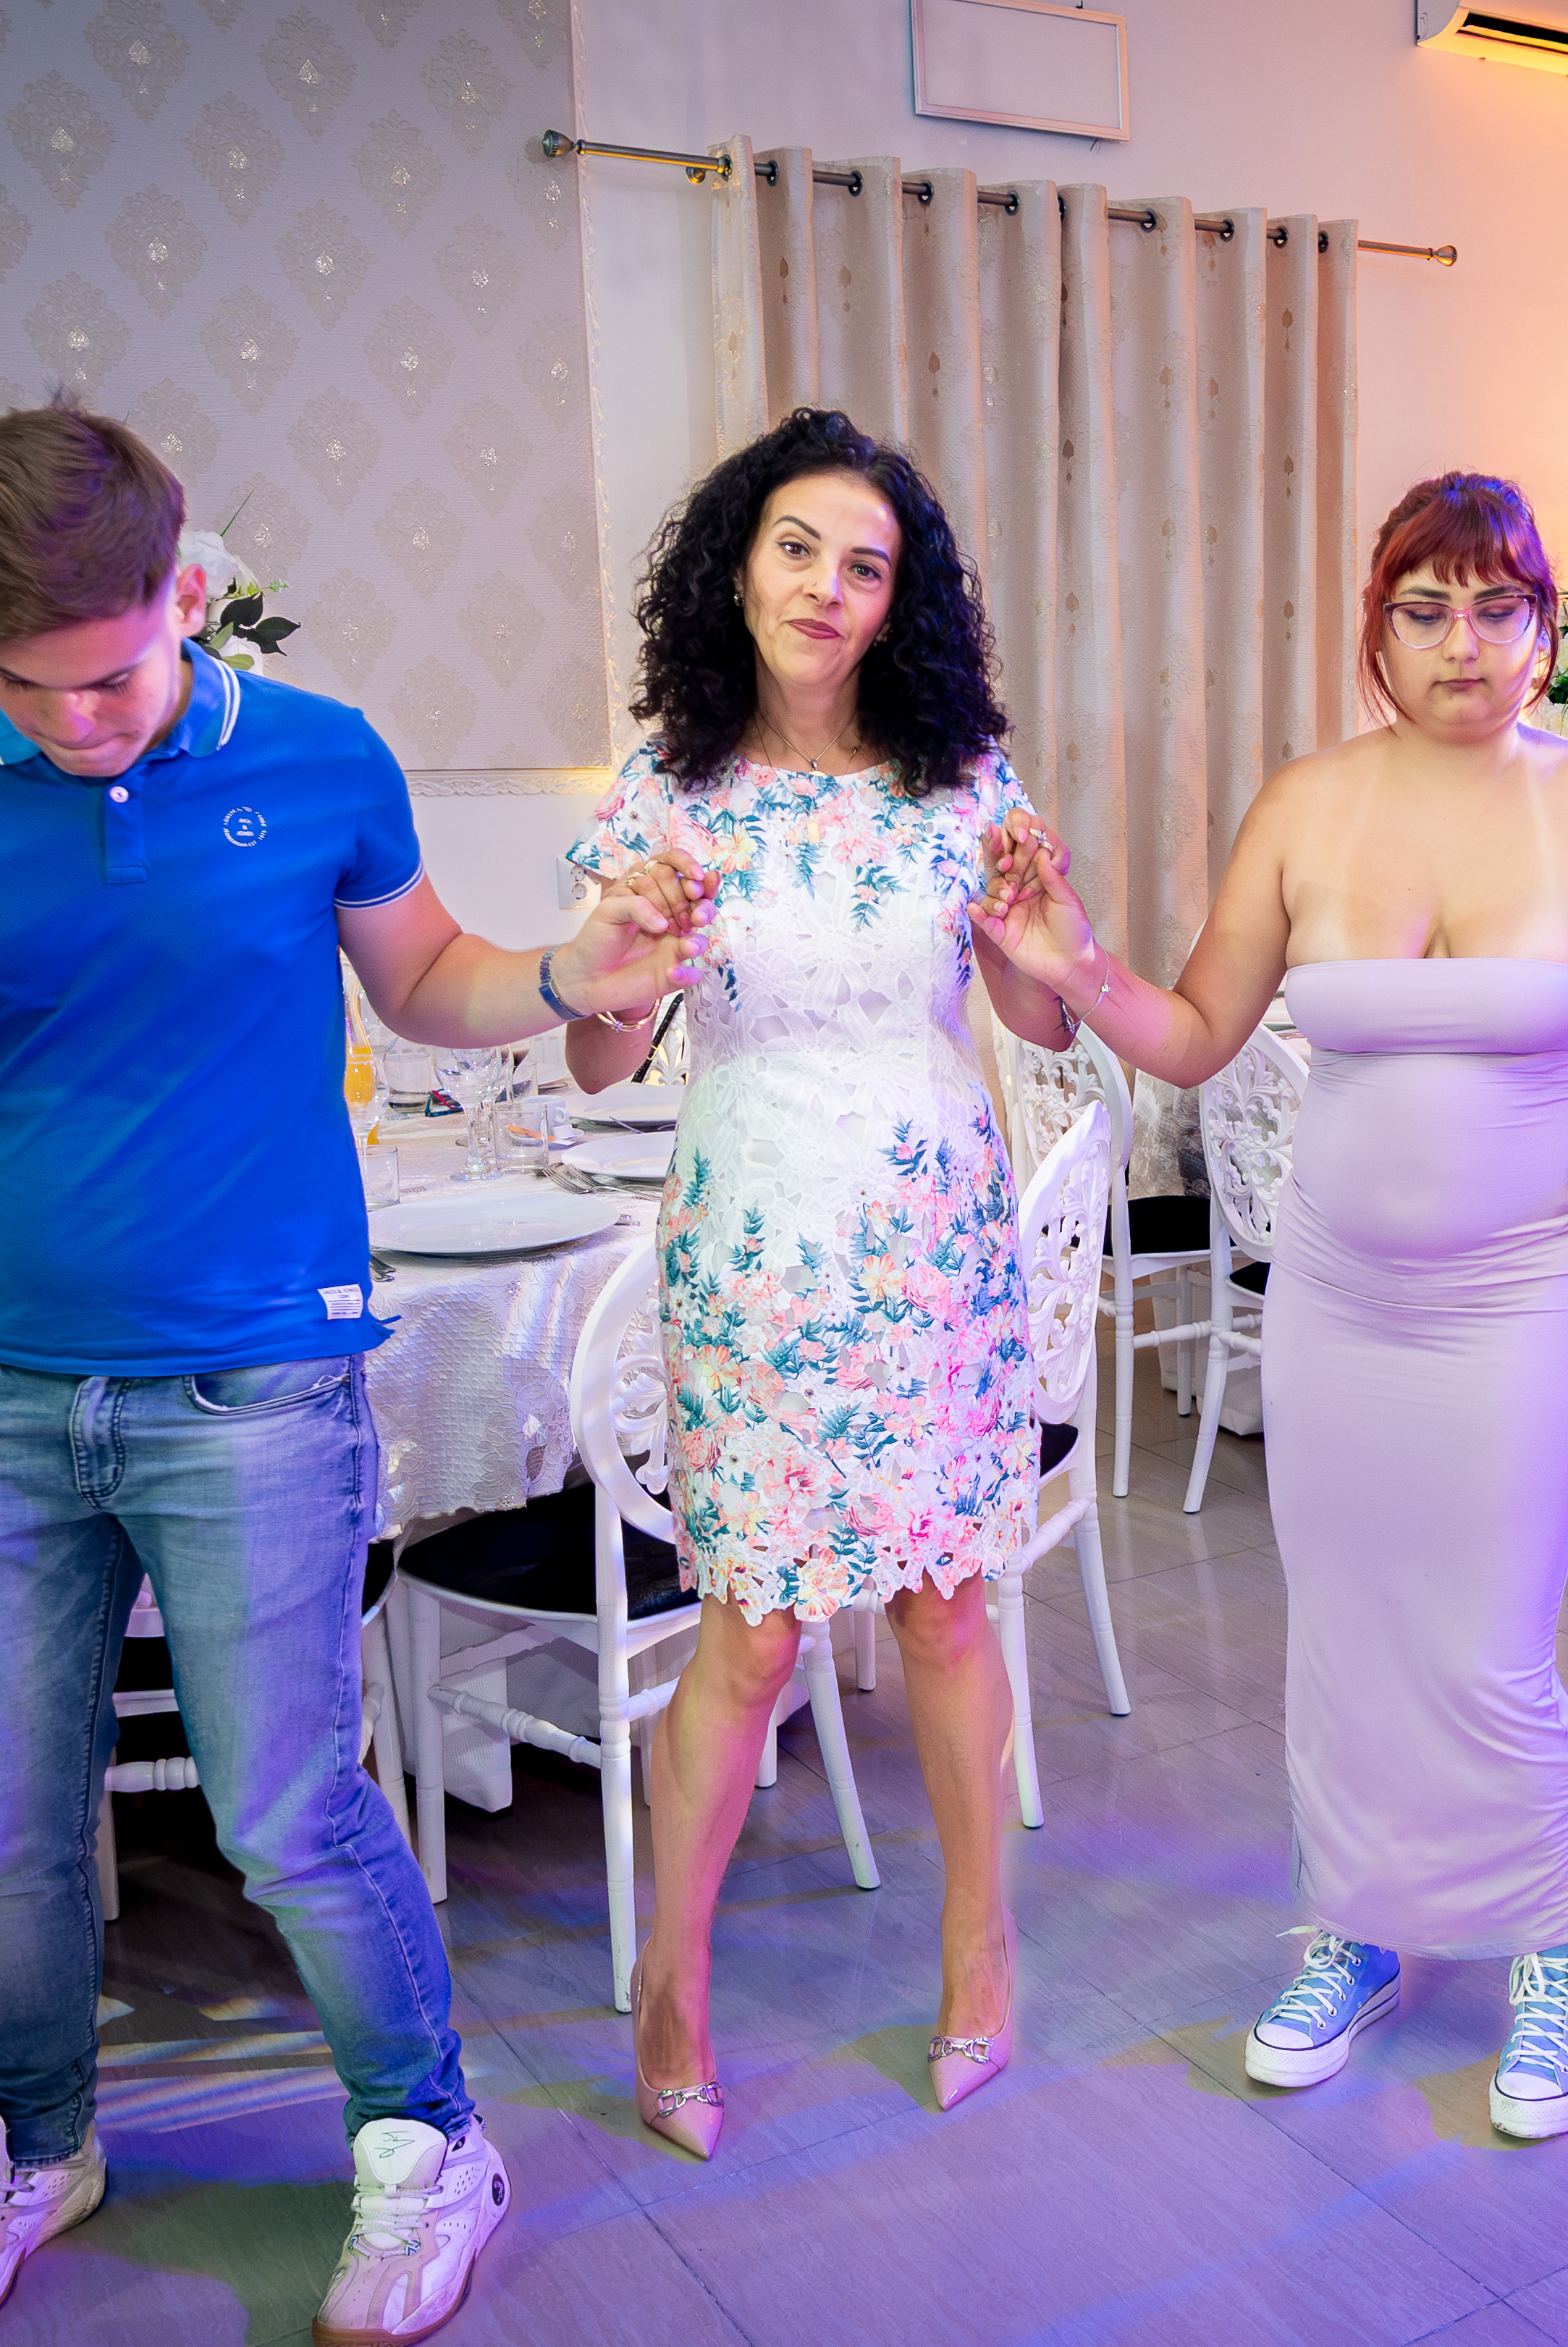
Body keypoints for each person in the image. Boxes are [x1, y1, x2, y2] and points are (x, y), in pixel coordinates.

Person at [0, 393, 708, 2346]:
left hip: (256, 1377)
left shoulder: (317, 753)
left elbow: (425, 979)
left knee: (284, 1805)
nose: (84, 721)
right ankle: (32, 2137)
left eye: (116, 674)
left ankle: (429, 2139)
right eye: (35, 686)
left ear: (185, 590)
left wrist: (563, 976)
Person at [972, 471, 1568, 2142]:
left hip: (1521, 1300)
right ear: (1377, 630)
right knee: (1348, 1637)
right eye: (1425, 609)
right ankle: (1353, 1927)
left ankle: (1552, 1943)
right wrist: (1069, 962)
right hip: (1338, 1299)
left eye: (1497, 608)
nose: (1462, 642)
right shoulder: (1304, 806)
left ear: (1543, 630)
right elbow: (1193, 1034)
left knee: (1490, 1644)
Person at [555, 408, 1059, 2160]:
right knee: (753, 1624)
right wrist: (623, 958)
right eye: (797, 549)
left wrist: (1043, 929)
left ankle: (978, 1947)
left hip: (931, 1233)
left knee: (946, 1606)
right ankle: (671, 1982)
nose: (826, 588)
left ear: (899, 603)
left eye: (866, 565)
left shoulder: (961, 781)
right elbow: (599, 1060)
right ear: (736, 565)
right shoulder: (665, 790)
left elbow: (1036, 1009)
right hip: (755, 1231)